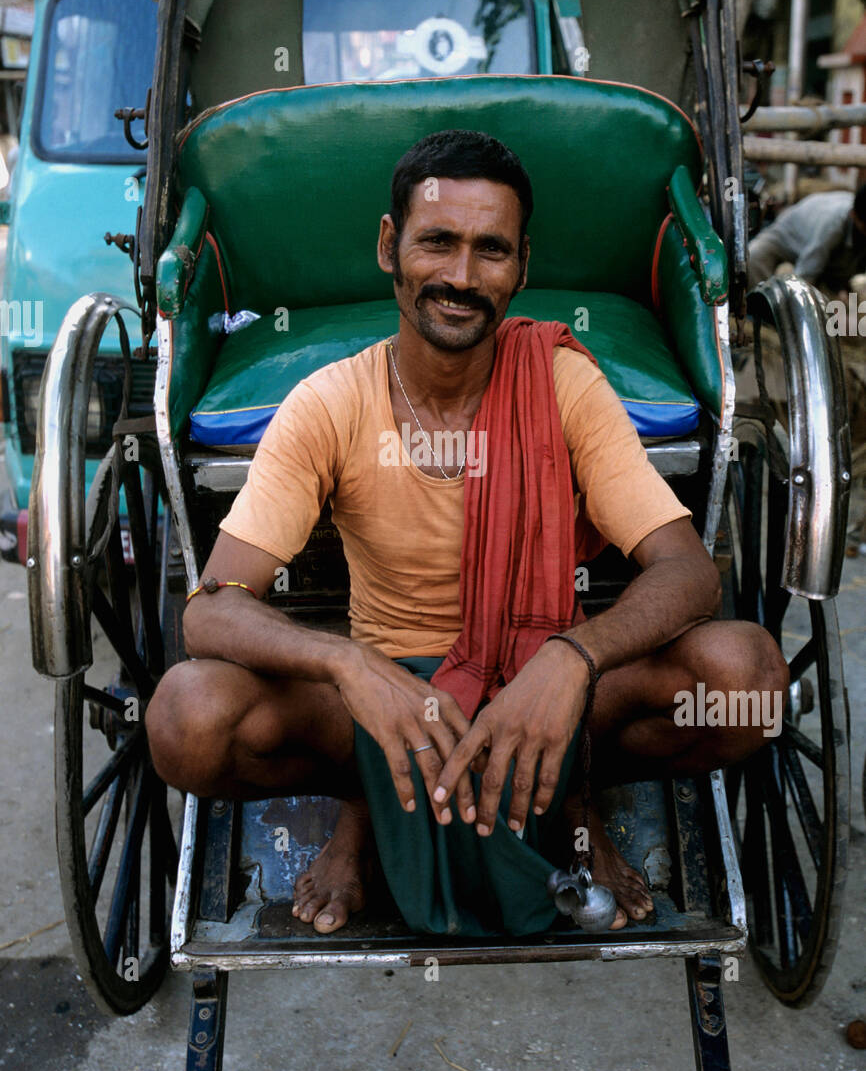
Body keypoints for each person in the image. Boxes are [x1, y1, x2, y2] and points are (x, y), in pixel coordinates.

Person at [145, 130, 788, 936]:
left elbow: (688, 572)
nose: (460, 275)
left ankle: (575, 796)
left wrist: (571, 659)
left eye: (491, 250)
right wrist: (347, 665)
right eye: (437, 242)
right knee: (184, 717)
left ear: (522, 265)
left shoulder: (561, 383)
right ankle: (366, 809)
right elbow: (211, 608)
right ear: (390, 246)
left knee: (749, 680)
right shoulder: (329, 403)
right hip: (385, 715)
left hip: (550, 690)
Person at [747, 185, 866, 293]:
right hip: (788, 234)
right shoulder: (832, 225)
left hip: (831, 256)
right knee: (754, 256)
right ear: (854, 215)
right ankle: (762, 309)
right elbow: (805, 277)